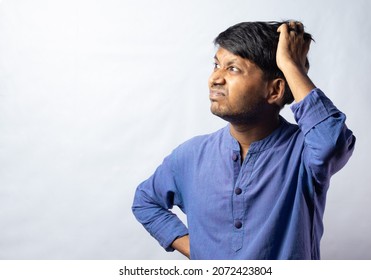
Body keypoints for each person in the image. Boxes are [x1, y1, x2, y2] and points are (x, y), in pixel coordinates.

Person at [132, 20, 356, 260]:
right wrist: (198, 251)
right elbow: (145, 201)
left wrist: (291, 66)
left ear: (275, 91)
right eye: (216, 65)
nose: (215, 79)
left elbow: (332, 143)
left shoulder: (303, 152)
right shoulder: (190, 155)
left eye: (233, 69)